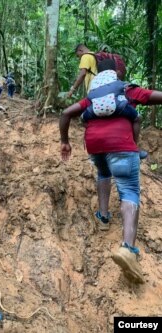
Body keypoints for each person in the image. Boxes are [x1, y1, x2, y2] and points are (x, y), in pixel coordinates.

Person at [60, 72, 162, 283]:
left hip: (95, 146)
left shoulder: (93, 97)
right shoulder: (127, 90)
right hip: (122, 146)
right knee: (129, 190)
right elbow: (156, 97)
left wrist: (65, 142)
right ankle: (128, 249)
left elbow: (66, 113)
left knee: (103, 172)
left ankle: (103, 217)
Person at [81, 59, 146, 157]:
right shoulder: (115, 77)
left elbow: (91, 95)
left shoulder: (95, 81)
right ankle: (135, 147)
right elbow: (123, 87)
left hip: (95, 109)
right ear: (115, 70)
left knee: (82, 118)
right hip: (116, 106)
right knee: (138, 118)